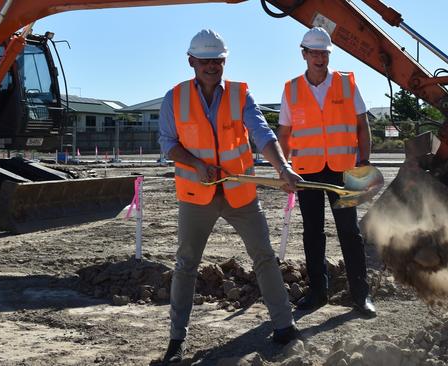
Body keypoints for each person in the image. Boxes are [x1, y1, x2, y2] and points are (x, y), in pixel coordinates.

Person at [158, 29, 303, 365]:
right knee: (186, 265)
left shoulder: (240, 95)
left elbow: (262, 134)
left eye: (218, 60)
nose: (212, 66)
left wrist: (282, 167)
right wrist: (196, 164)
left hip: (240, 195)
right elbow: (168, 144)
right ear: (191, 61)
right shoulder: (174, 98)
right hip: (197, 195)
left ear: (225, 61)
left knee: (265, 257)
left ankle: (284, 325)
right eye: (205, 60)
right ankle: (176, 338)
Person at [277, 27, 376, 318]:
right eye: (314, 53)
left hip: (344, 170)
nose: (319, 58)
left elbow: (362, 126)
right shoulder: (291, 89)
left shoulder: (346, 84)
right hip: (306, 172)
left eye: (324, 53)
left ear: (328, 54)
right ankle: (318, 293)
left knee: (350, 232)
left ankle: (361, 294)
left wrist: (365, 162)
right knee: (313, 233)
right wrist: (284, 168)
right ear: (304, 54)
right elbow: (284, 132)